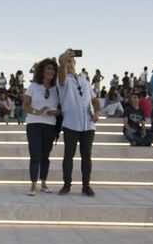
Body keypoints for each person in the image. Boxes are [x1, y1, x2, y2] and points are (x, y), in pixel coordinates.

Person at [57, 49, 99, 197]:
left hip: (88, 124)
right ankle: (66, 185)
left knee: (86, 156)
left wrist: (97, 112)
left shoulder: (84, 79)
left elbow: (94, 99)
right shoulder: (62, 80)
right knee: (68, 155)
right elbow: (62, 74)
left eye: (70, 61)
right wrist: (63, 61)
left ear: (75, 63)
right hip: (71, 124)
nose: (68, 63)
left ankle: (86, 185)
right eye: (66, 61)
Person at [23, 58, 60, 196]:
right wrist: (36, 111)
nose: (51, 71)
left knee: (46, 155)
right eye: (48, 68)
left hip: (50, 125)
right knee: (35, 155)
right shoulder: (33, 86)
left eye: (53, 69)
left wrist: (57, 112)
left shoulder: (58, 88)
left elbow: (62, 109)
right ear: (42, 71)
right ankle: (33, 185)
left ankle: (44, 183)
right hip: (34, 124)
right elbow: (25, 105)